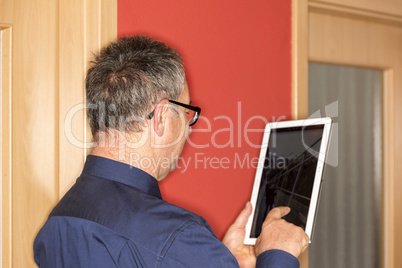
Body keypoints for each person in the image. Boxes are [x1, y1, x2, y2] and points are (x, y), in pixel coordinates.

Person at [34, 36, 309, 267]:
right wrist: (278, 254)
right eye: (188, 112)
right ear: (163, 116)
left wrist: (216, 258)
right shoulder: (179, 237)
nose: (189, 128)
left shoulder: (60, 219)